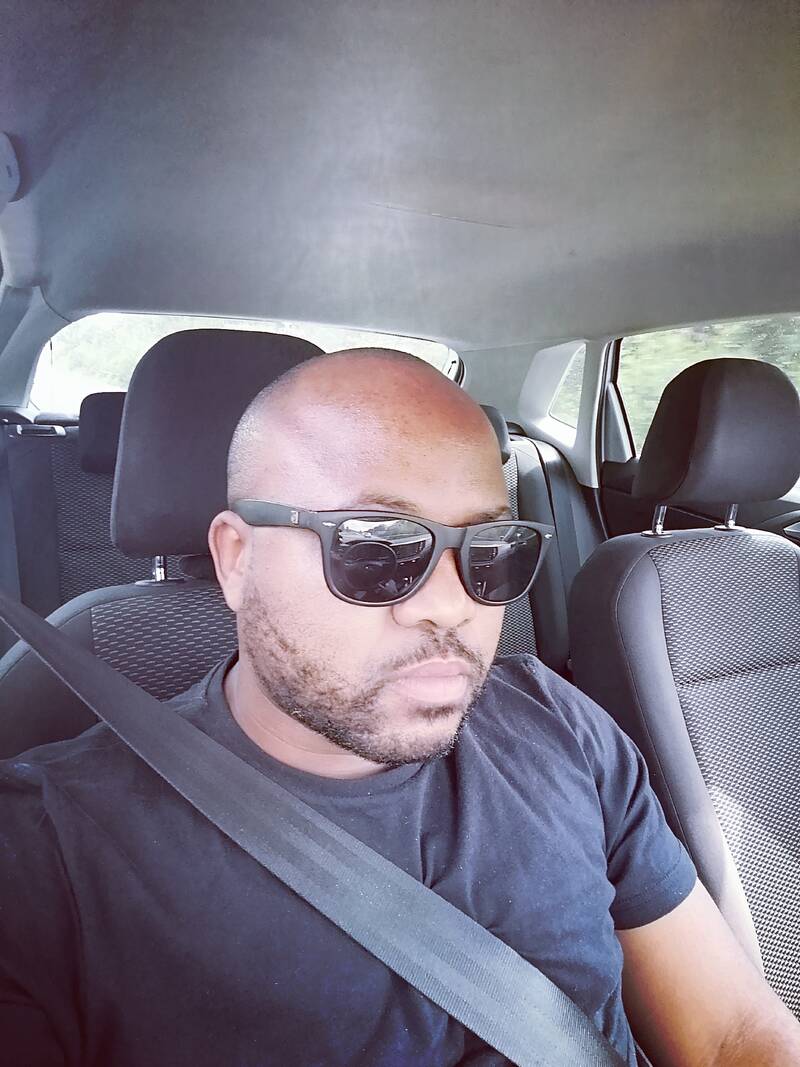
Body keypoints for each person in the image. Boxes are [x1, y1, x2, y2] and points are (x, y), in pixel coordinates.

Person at [2, 349, 799, 1066]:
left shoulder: (562, 727)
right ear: (237, 558)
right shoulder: (43, 855)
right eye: (376, 546)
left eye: (491, 552)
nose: (449, 606)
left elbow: (730, 1033)